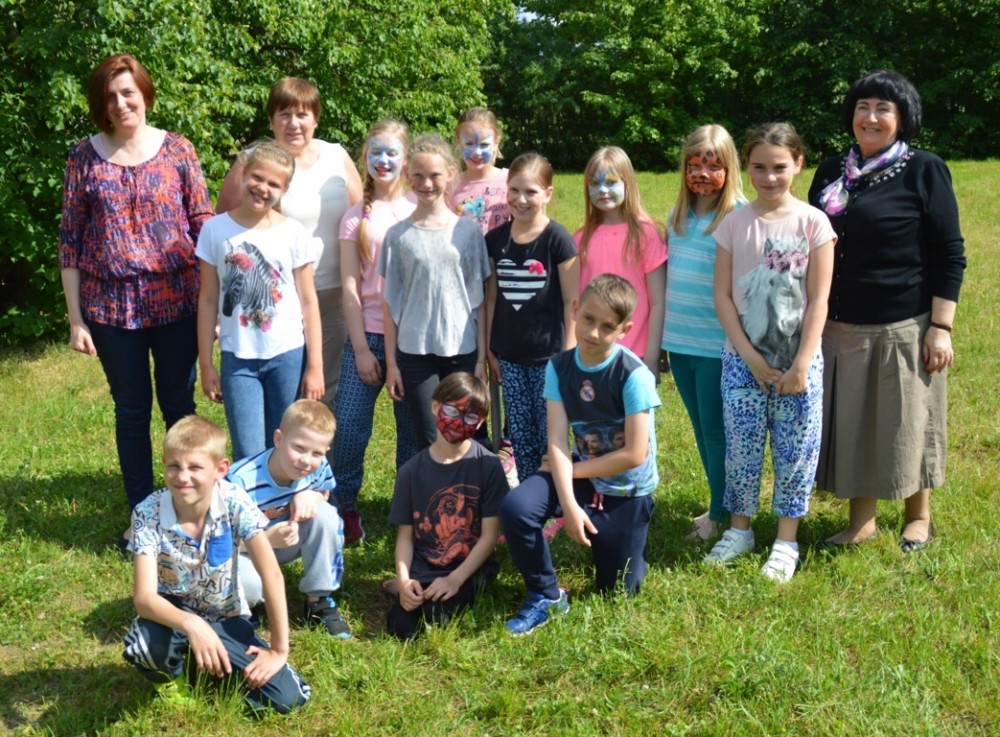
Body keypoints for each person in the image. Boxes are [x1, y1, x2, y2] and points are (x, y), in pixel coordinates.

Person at [808, 70, 966, 551]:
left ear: (902, 118)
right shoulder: (831, 171)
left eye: (883, 108)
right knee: (854, 423)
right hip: (838, 323)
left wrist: (941, 326)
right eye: (863, 107)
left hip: (904, 322)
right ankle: (862, 522)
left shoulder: (925, 169)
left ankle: (918, 516)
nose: (870, 117)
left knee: (908, 422)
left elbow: (949, 252)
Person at [59, 54, 214, 541]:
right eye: (110, 96)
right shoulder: (83, 158)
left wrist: (214, 302)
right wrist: (76, 319)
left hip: (177, 302)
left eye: (128, 92)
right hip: (110, 309)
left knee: (178, 403)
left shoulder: (178, 150)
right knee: (131, 409)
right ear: (100, 105)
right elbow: (70, 241)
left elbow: (204, 226)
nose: (121, 103)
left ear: (144, 93)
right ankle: (143, 513)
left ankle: (190, 505)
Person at [707, 122, 835, 582]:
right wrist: (749, 357)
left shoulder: (814, 223)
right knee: (741, 448)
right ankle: (739, 530)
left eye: (779, 166)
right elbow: (723, 296)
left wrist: (801, 363)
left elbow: (818, 299)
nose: (769, 176)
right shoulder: (733, 224)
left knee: (795, 450)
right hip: (742, 361)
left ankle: (786, 540)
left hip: (799, 363)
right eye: (759, 167)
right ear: (746, 166)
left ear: (798, 164)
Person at [500, 274, 661, 636]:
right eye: (588, 319)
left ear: (625, 330)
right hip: (582, 473)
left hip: (626, 488)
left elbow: (635, 453)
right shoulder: (559, 367)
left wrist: (570, 473)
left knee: (618, 590)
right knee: (516, 508)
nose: (594, 332)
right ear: (575, 309)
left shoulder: (633, 375)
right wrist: (570, 506)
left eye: (607, 326)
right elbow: (557, 441)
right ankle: (546, 595)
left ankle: (629, 535)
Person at [123, 416, 310, 713]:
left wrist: (278, 650)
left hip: (225, 615)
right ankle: (171, 676)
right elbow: (144, 598)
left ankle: (215, 661)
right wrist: (192, 624)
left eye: (195, 467)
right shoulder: (148, 512)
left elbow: (272, 575)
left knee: (287, 699)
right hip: (173, 613)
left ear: (220, 470)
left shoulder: (234, 500)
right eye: (174, 466)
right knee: (144, 644)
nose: (182, 477)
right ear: (164, 464)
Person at [216, 77, 363, 412]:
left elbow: (361, 219)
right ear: (271, 120)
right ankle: (278, 445)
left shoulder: (336, 156)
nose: (293, 123)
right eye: (284, 114)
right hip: (274, 297)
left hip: (332, 292)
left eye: (302, 114)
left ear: (316, 119)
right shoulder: (250, 161)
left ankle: (318, 447)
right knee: (282, 391)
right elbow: (224, 228)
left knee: (324, 387)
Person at [197, 141, 324, 461]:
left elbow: (309, 301)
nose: (263, 188)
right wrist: (206, 363)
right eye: (257, 177)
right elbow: (208, 299)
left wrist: (315, 366)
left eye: (273, 184)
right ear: (243, 175)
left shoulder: (294, 233)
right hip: (237, 358)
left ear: (285, 190)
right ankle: (253, 495)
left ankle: (285, 495)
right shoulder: (214, 230)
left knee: (286, 446)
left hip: (288, 356)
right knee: (248, 451)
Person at [331, 120, 418, 544]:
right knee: (348, 425)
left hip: (414, 338)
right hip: (367, 335)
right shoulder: (354, 218)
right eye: (375, 152)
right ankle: (343, 504)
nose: (383, 160)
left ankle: (410, 506)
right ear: (364, 156)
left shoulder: (420, 207)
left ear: (406, 158)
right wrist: (363, 349)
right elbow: (350, 286)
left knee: (412, 428)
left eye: (392, 153)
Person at [379, 134, 491, 449]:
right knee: (430, 439)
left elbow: (479, 302)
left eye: (434, 175)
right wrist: (392, 364)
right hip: (415, 354)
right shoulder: (397, 236)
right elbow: (391, 304)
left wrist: (480, 359)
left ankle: (475, 482)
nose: (426, 183)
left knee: (468, 433)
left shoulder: (468, 232)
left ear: (450, 174)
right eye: (418, 175)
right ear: (407, 176)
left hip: (461, 350)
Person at [661, 125, 746, 542]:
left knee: (716, 432)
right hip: (679, 342)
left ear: (729, 169)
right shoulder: (676, 217)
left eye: (713, 167)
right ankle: (719, 502)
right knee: (700, 428)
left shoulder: (738, 216)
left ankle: (720, 515)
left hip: (717, 344)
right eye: (694, 166)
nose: (702, 175)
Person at [387, 373, 507, 639]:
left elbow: (489, 536)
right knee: (402, 628)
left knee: (437, 616)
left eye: (470, 417)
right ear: (435, 406)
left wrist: (455, 579)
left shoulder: (488, 466)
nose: (458, 422)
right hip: (424, 568)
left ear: (481, 422)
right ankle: (397, 586)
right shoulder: (410, 472)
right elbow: (405, 537)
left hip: (471, 570)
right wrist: (405, 580)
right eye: (451, 410)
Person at [485, 152, 579, 482]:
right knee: (521, 435)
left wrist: (568, 355)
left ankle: (557, 497)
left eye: (531, 192)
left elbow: (572, 302)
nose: (521, 199)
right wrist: (490, 349)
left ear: (548, 194)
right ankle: (529, 495)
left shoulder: (558, 239)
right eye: (514, 190)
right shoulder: (495, 240)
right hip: (509, 358)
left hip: (550, 359)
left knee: (551, 435)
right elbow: (491, 298)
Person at [227, 400, 350, 639]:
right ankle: (246, 607)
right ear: (278, 439)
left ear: (325, 451)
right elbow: (219, 539)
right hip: (244, 551)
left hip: (287, 541)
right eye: (299, 448)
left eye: (316, 453)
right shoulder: (240, 481)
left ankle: (319, 600)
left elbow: (324, 492)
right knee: (250, 585)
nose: (306, 460)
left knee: (327, 516)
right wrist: (266, 539)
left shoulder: (317, 467)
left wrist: (312, 495)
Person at [575, 147, 667, 380]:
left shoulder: (646, 234)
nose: (602, 190)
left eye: (611, 182)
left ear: (628, 184)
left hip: (636, 357)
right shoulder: (580, 239)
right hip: (591, 356)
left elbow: (658, 302)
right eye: (594, 183)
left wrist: (652, 359)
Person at [451, 107, 511, 235]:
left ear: (496, 142)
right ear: (458, 143)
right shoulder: (449, 186)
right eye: (469, 144)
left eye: (484, 145)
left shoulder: (511, 180)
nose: (476, 152)